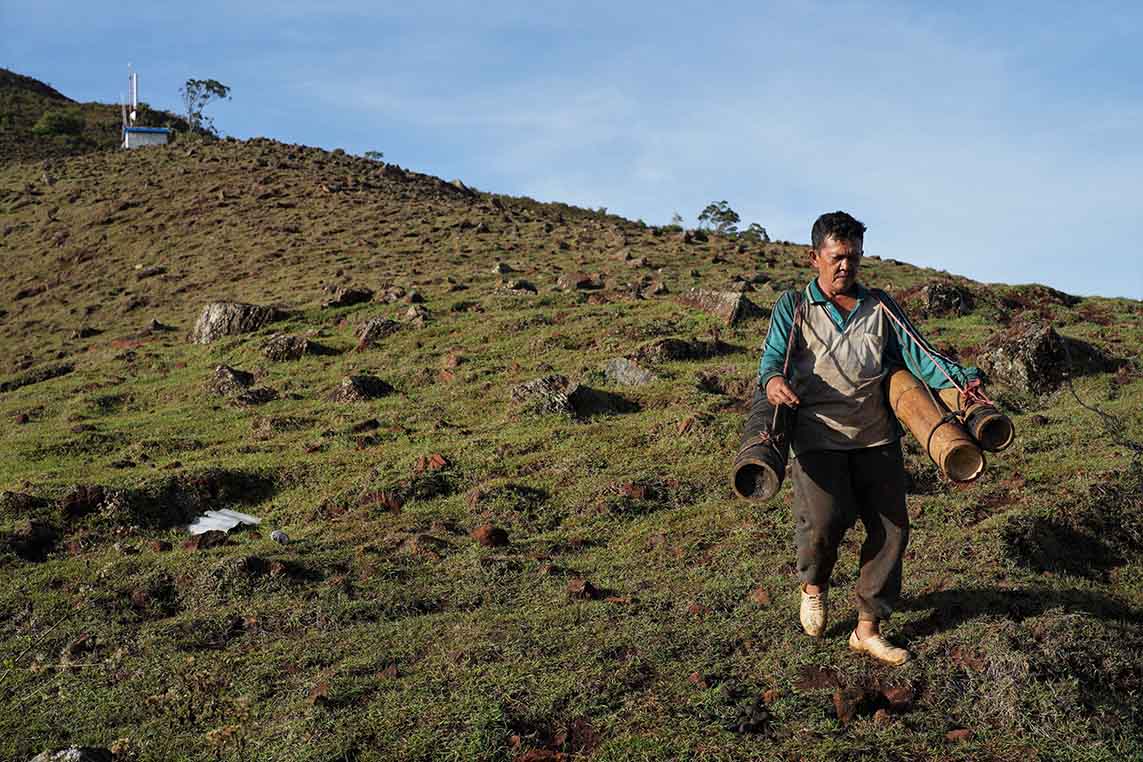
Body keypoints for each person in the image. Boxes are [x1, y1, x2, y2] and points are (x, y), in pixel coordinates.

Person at [757, 211, 982, 666]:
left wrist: (962, 383)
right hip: (817, 437)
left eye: (854, 258)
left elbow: (921, 355)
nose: (846, 267)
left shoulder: (880, 306)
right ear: (814, 257)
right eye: (838, 258)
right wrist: (771, 384)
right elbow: (773, 360)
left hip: (876, 437)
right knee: (825, 523)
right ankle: (814, 586)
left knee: (891, 530)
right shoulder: (794, 306)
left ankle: (867, 628)